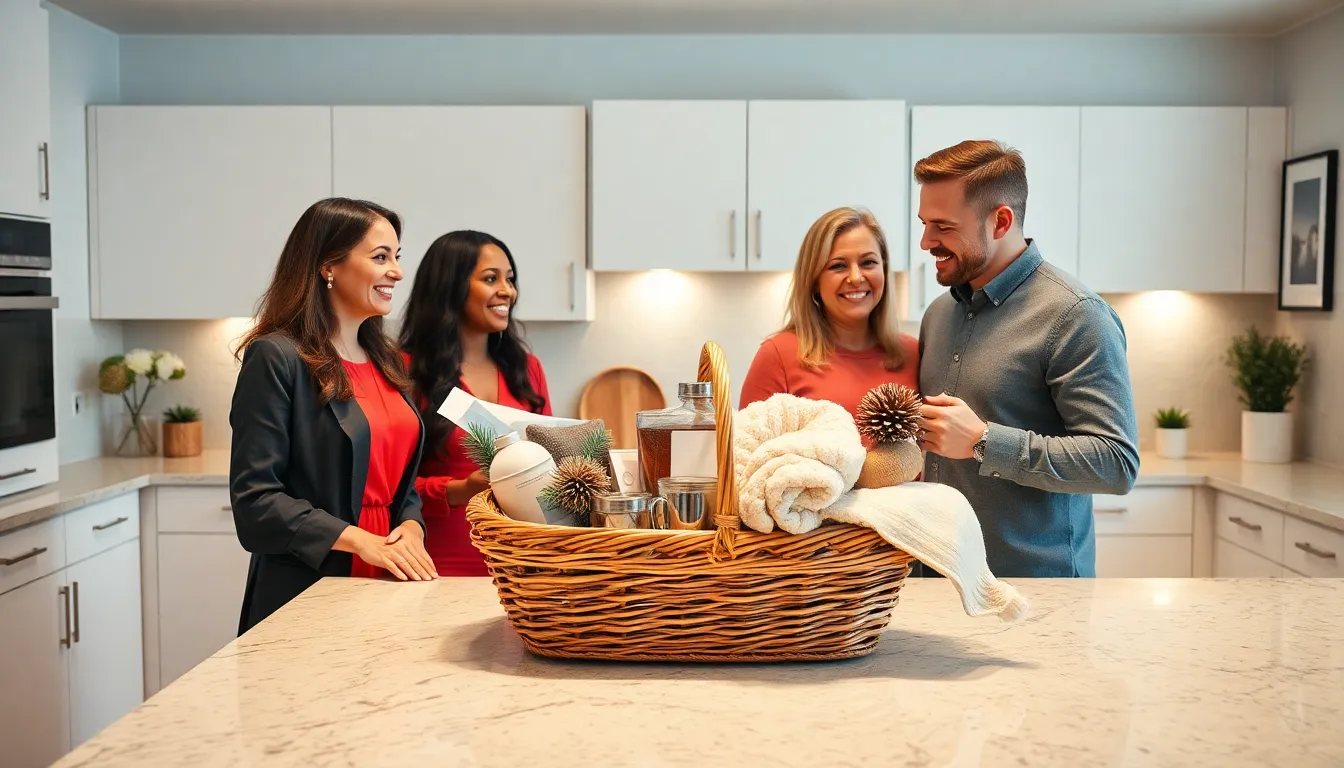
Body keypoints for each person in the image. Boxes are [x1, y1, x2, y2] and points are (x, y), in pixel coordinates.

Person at [912, 139, 1139, 578]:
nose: (925, 242)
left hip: (1036, 592)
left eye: (942, 226)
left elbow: (1116, 463)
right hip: (937, 581)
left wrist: (983, 441)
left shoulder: (1076, 315)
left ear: (1000, 221)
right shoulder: (938, 314)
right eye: (923, 224)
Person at [230, 197, 437, 635]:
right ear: (329, 266)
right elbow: (256, 500)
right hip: (309, 589)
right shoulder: (276, 357)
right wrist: (360, 541)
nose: (397, 272)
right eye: (380, 257)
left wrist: (412, 528)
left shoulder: (386, 360)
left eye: (396, 258)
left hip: (389, 584)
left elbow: (401, 484)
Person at [398, 230, 552, 576]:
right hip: (436, 562)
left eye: (510, 279)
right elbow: (387, 489)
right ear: (449, 287)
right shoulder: (404, 371)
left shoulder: (528, 370)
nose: (507, 291)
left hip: (521, 563)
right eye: (490, 278)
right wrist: (461, 489)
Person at [740, 206, 920, 416]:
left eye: (868, 262)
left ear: (884, 269)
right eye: (838, 266)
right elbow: (747, 445)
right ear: (814, 280)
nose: (856, 277)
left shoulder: (912, 354)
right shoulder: (777, 356)